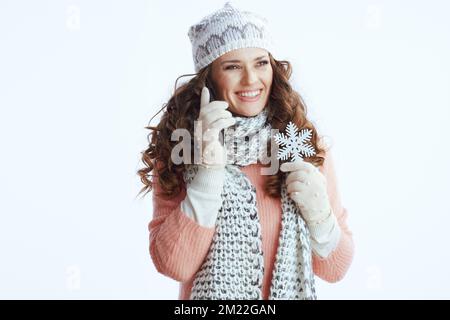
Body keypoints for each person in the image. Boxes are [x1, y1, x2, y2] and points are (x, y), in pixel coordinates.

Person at [138, 2, 354, 300]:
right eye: (233, 67)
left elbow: (335, 269)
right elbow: (173, 264)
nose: (251, 80)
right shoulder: (181, 149)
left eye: (260, 63)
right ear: (209, 78)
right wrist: (208, 174)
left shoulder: (301, 145)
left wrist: (320, 216)